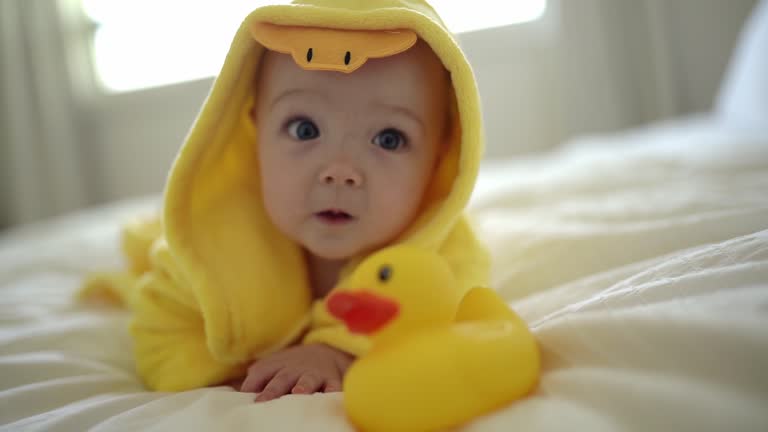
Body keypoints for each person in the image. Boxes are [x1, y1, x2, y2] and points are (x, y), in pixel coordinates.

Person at [79, 0, 490, 402]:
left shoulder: (441, 255)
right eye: (305, 129)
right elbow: (161, 339)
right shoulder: (210, 249)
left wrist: (339, 351)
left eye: (389, 138)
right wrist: (248, 364)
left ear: (439, 158)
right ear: (256, 132)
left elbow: (443, 317)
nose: (340, 171)